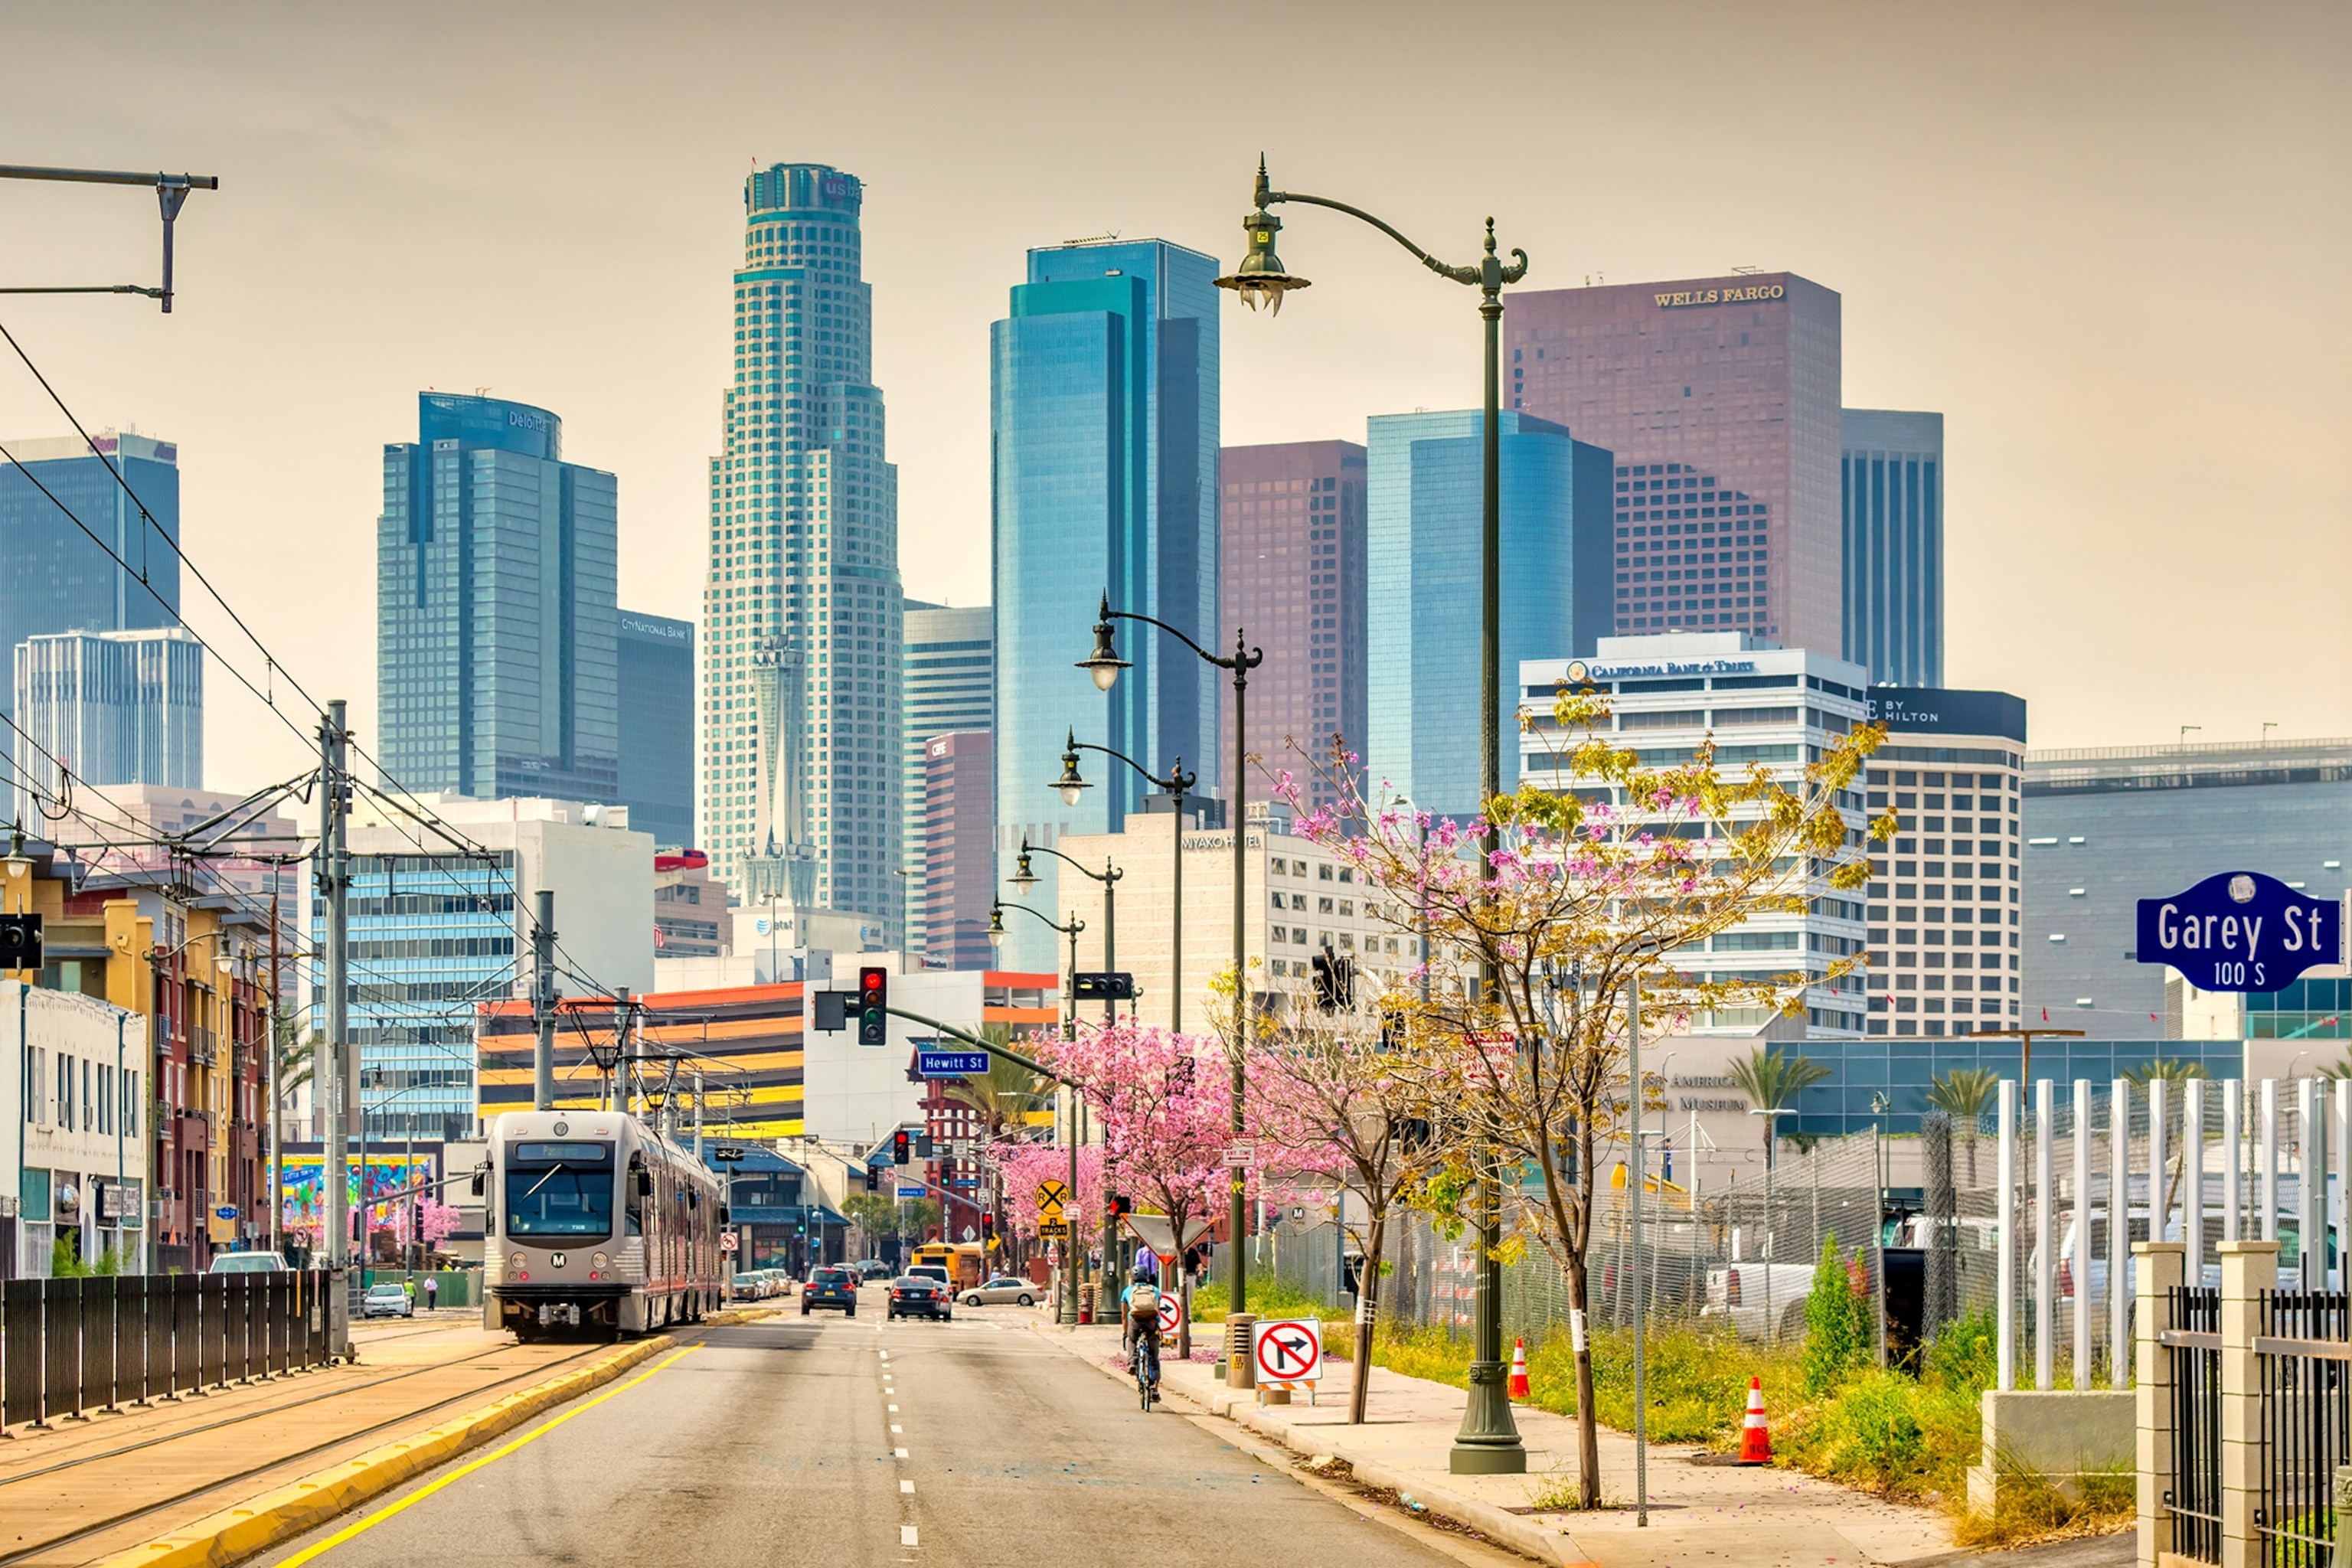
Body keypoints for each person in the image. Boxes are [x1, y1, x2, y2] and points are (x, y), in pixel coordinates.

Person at [1119, 1262, 1163, 1402]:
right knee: (1154, 1356)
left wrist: (1125, 1333)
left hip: (1135, 1322)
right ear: (1148, 1277)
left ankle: (1132, 1363)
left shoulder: (1127, 1291)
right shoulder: (1155, 1290)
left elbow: (1124, 1315)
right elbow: (1158, 1310)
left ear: (1132, 1277)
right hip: (1151, 1322)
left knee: (1132, 1340)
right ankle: (1155, 1390)